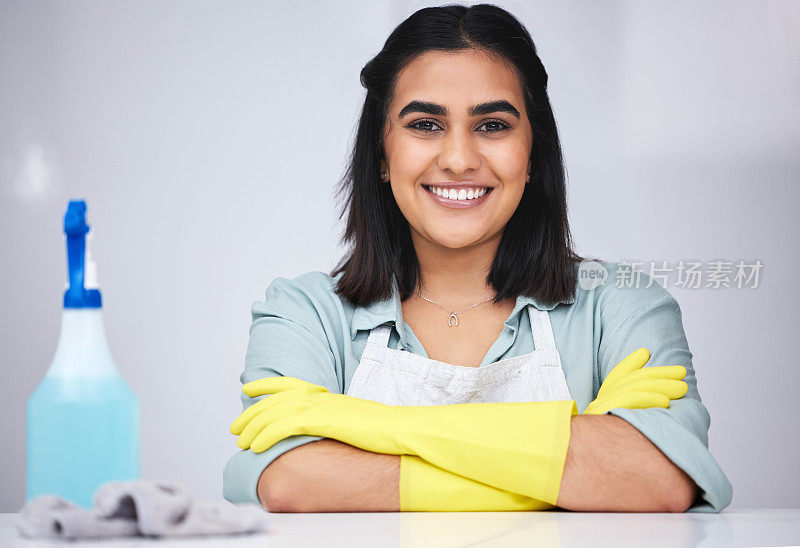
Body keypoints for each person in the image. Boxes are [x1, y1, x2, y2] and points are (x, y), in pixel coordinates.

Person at [223, 4, 732, 513]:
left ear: (532, 155)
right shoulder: (303, 314)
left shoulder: (622, 309)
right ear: (381, 155)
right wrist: (570, 469)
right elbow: (290, 481)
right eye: (425, 124)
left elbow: (657, 479)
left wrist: (371, 425)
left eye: (492, 125)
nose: (460, 159)